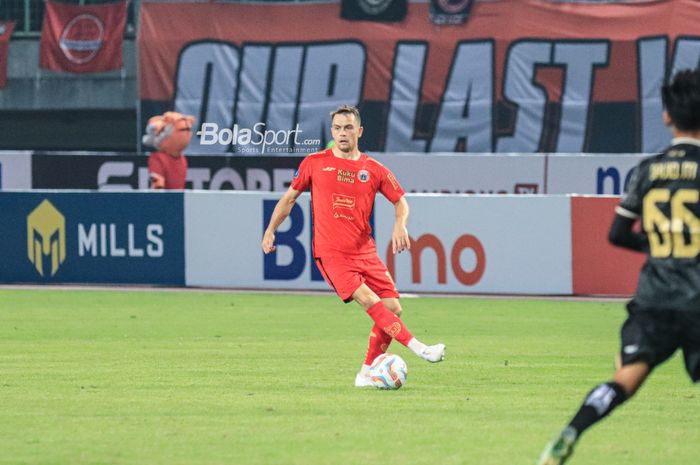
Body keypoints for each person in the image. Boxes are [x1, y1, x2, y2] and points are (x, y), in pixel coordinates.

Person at [537, 68, 700, 465]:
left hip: (654, 297)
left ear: (666, 116)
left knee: (625, 378)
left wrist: (661, 247)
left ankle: (573, 430)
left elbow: (617, 233)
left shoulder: (648, 169)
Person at [261, 105, 446, 387]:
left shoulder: (373, 169)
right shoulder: (314, 163)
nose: (342, 133)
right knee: (369, 301)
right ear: (331, 131)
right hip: (332, 253)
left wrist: (400, 225)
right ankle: (421, 349)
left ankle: (364, 375)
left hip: (365, 250)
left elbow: (400, 201)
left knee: (393, 308)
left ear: (359, 131)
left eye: (348, 128)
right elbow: (288, 200)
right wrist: (271, 230)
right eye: (337, 128)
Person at [142, 111, 194, 189]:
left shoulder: (182, 159)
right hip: (164, 200)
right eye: (182, 130)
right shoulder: (158, 158)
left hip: (177, 199)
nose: (186, 133)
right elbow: (157, 186)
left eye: (187, 130)